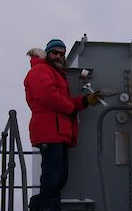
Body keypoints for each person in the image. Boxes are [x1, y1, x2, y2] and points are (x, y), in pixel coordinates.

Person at [24, 39, 101, 211]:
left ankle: (38, 206)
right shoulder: (40, 70)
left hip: (58, 132)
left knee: (59, 178)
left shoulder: (55, 73)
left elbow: (63, 100)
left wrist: (85, 101)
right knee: (53, 177)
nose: (58, 56)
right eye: (55, 52)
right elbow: (48, 96)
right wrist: (72, 106)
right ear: (47, 53)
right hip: (49, 131)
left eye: (61, 53)